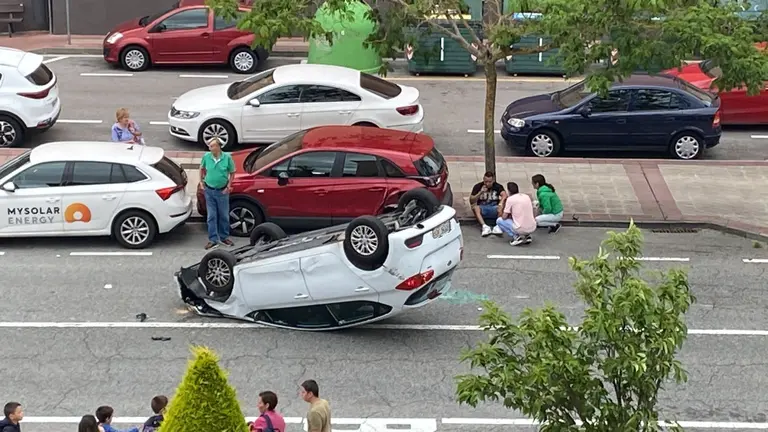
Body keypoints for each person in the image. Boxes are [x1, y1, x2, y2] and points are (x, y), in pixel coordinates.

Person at [200, 138, 236, 249]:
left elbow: (232, 172)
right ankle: (213, 239)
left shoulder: (227, 158)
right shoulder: (206, 157)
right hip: (209, 191)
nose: (209, 148)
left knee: (224, 215)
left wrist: (229, 186)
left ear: (218, 147)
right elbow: (202, 169)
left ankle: (224, 237)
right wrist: (201, 181)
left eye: (211, 146)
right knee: (211, 216)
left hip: (222, 191)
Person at [496, 182, 537, 246]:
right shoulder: (526, 196)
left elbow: (504, 217)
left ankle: (516, 237)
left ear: (509, 191)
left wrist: (500, 209)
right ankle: (527, 236)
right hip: (533, 226)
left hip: (521, 228)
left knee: (499, 221)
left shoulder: (510, 199)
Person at [469, 171, 507, 237]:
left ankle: (497, 226)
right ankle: (484, 226)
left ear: (493, 180)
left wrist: (501, 203)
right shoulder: (478, 186)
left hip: (494, 208)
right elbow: (471, 200)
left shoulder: (497, 186)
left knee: (503, 204)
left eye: (490, 182)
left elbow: (504, 195)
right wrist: (480, 193)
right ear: (483, 179)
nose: (487, 184)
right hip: (483, 208)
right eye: (486, 181)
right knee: (475, 207)